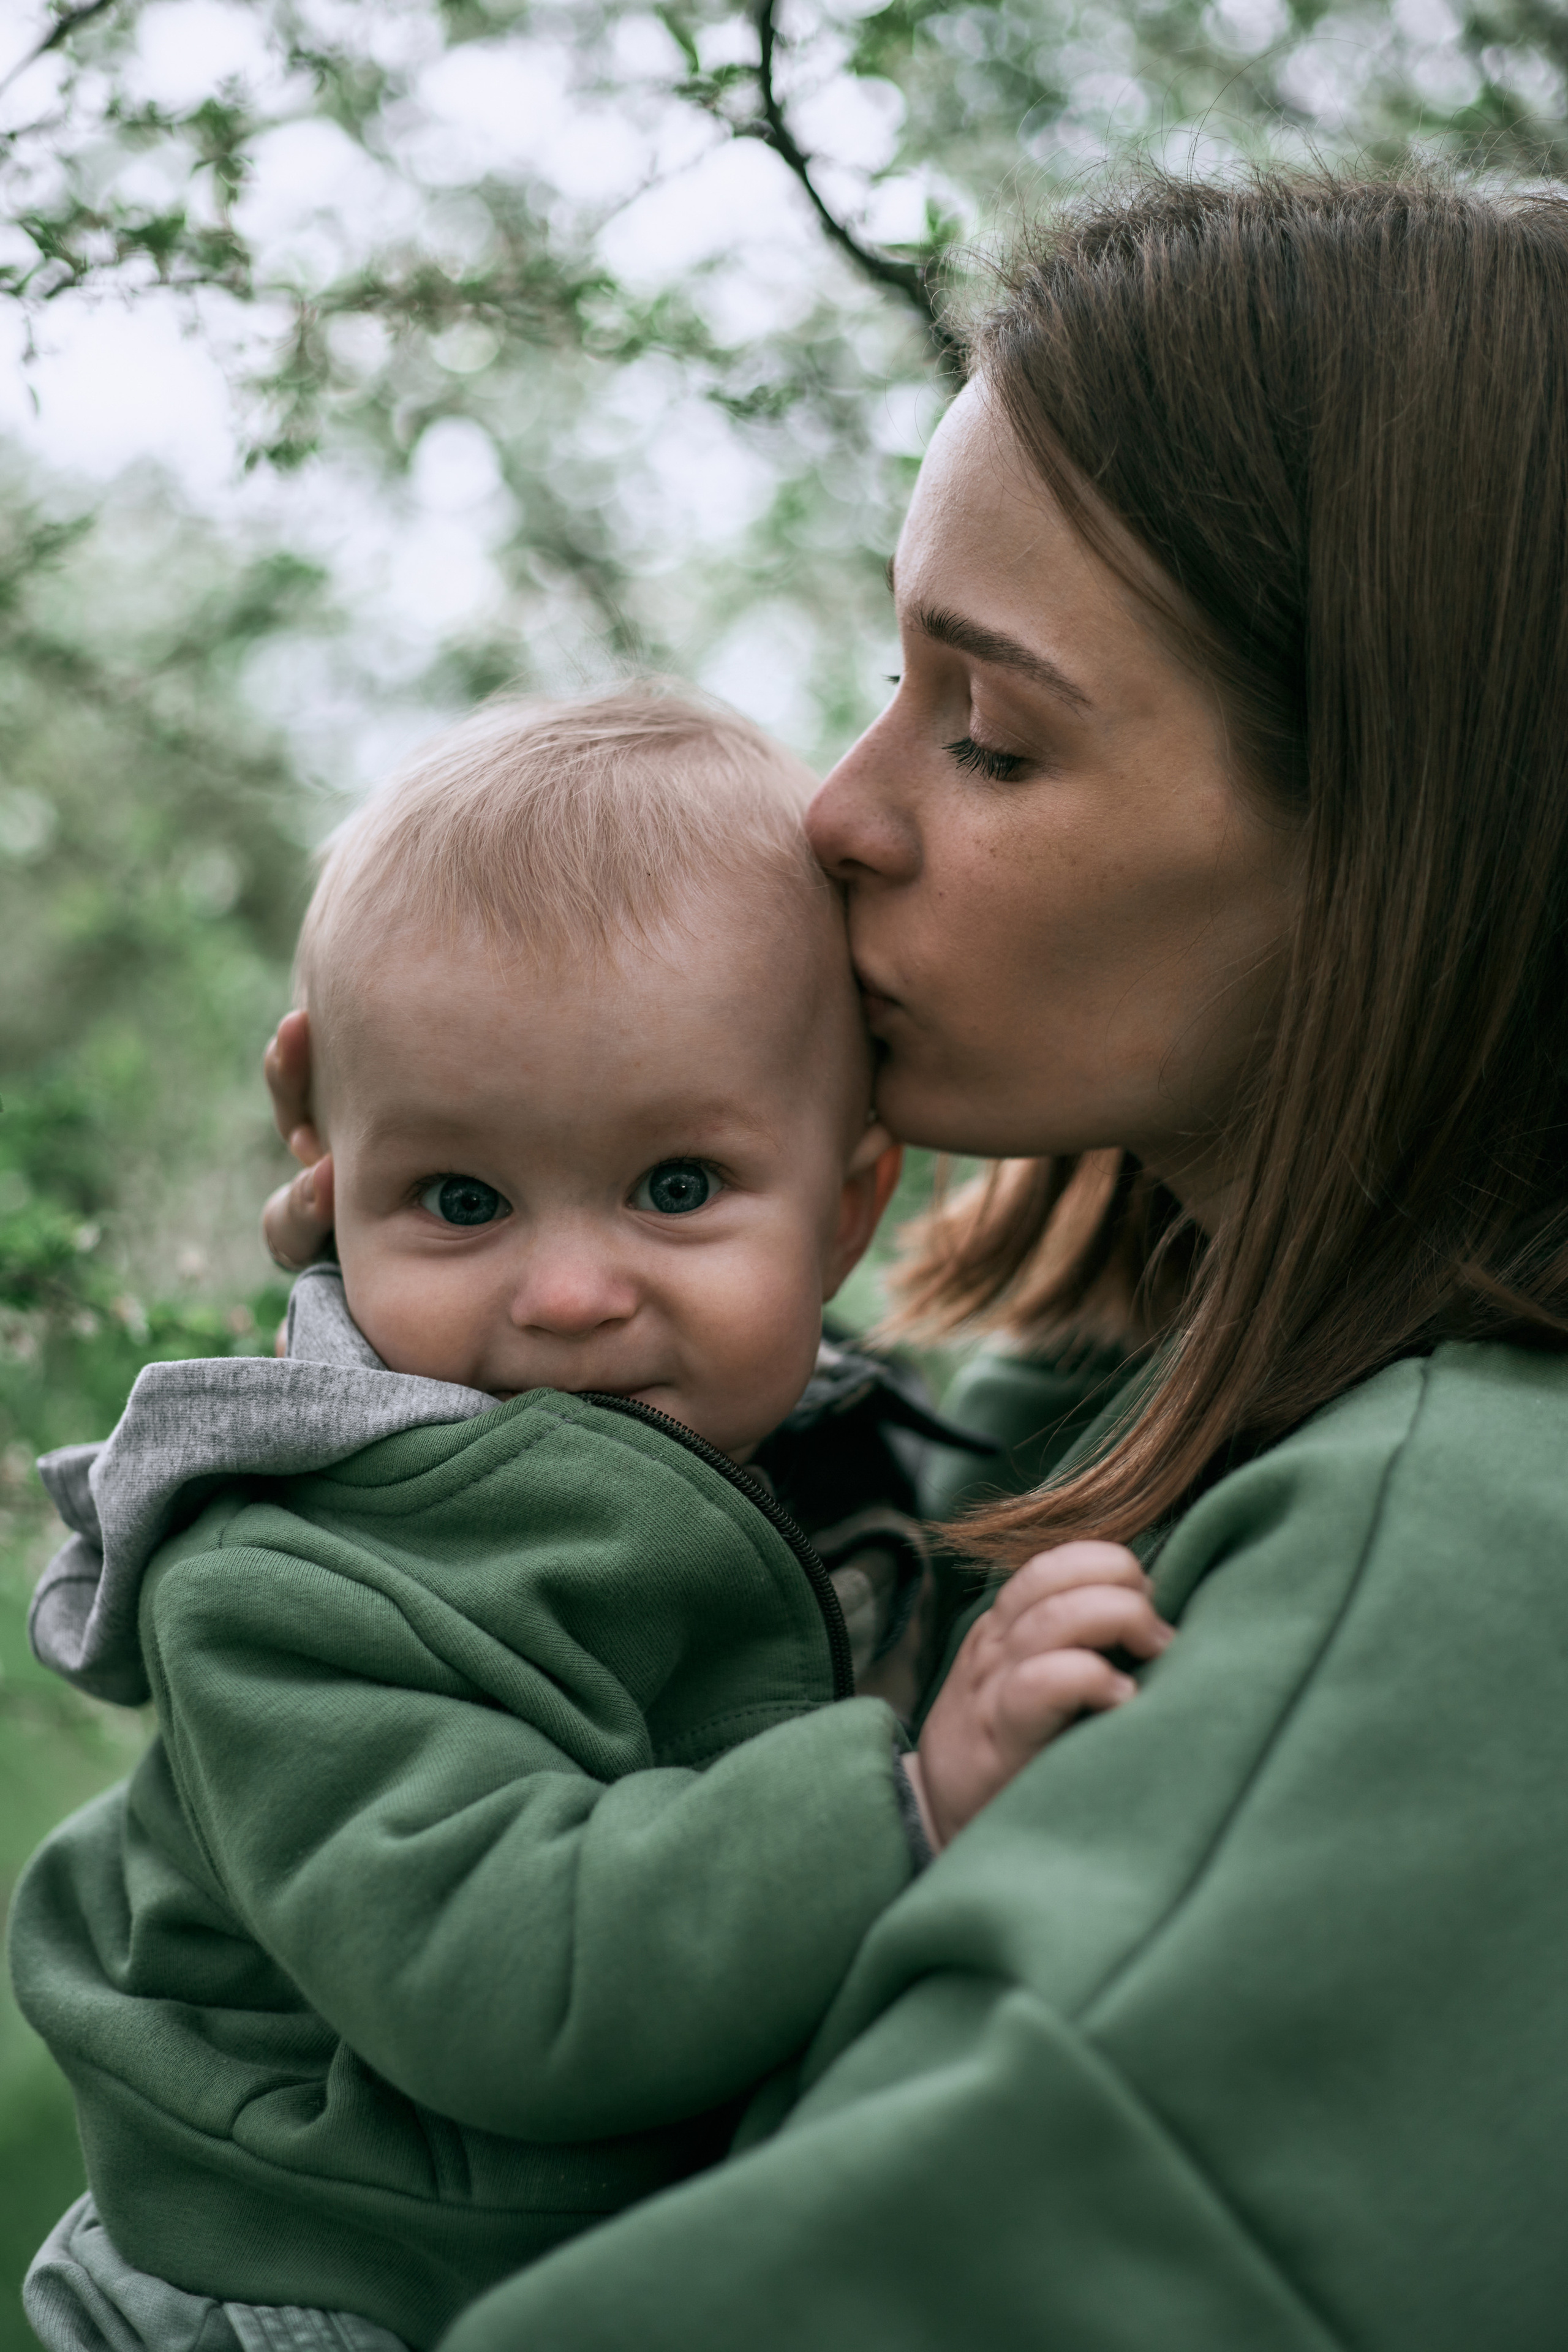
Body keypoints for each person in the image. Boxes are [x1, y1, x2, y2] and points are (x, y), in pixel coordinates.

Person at [263, 168, 1568, 2350]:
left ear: (1423, 836)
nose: (842, 814)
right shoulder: (1105, 1406)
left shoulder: (1461, 1557)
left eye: (990, 731)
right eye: (893, 683)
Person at [9, 688, 1173, 2352]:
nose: (564, 1295)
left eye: (677, 1188)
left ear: (848, 1203)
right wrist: (905, 1800)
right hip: (315, 2291)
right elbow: (506, 1971)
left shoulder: (795, 1451)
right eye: (461, 1201)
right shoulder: (287, 1579)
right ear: (323, 1146)